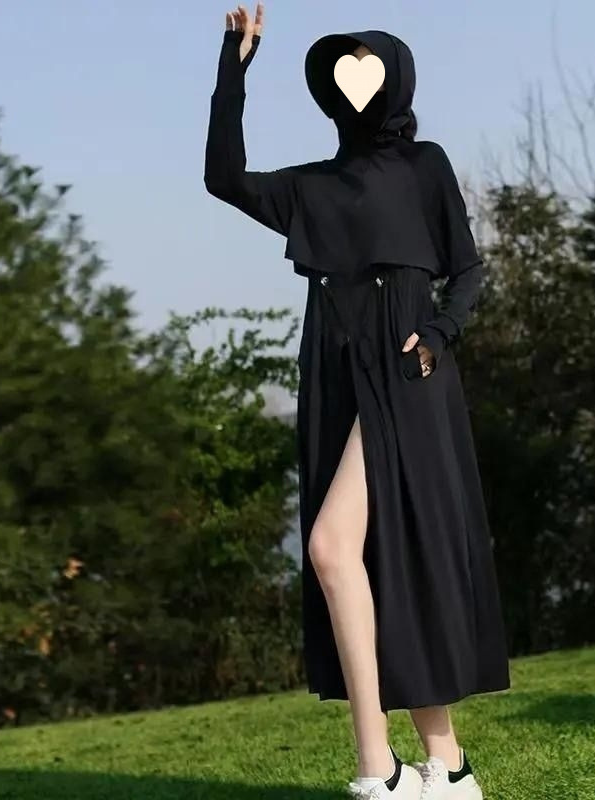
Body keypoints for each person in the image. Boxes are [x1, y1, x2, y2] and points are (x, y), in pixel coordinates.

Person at [204, 5, 511, 798]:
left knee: (333, 548)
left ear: (397, 81)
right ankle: (448, 766)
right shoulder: (313, 186)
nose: (358, 88)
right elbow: (224, 178)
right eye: (344, 77)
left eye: (369, 73)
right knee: (379, 559)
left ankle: (379, 769)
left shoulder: (426, 165)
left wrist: (439, 334)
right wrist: (234, 67)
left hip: (408, 368)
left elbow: (468, 269)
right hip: (338, 368)